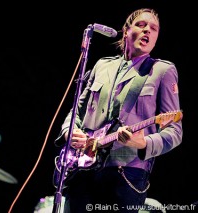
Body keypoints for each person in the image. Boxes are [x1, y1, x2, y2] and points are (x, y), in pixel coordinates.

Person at [54, 8, 183, 213]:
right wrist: (69, 132)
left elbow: (175, 133)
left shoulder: (162, 71)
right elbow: (76, 111)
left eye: (153, 29)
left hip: (126, 174)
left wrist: (143, 143)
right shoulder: (101, 66)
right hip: (82, 169)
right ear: (126, 31)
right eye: (141, 25)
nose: (147, 31)